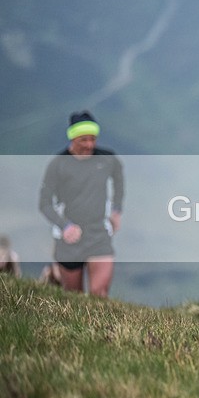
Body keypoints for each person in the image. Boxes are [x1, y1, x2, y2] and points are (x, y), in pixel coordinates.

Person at [38, 111, 124, 297]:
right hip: (70, 238)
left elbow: (119, 177)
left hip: (98, 233)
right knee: (74, 297)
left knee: (99, 294)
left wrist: (116, 209)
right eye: (83, 140)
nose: (89, 145)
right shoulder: (58, 164)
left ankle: (101, 324)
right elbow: (44, 204)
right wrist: (65, 226)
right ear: (73, 138)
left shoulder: (107, 159)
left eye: (93, 139)